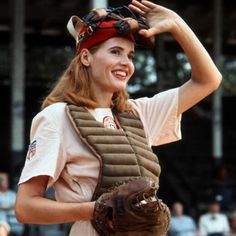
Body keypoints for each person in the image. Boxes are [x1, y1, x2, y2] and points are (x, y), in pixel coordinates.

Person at [15, 0, 222, 235]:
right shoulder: (57, 117)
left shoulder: (137, 113)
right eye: (115, 52)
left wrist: (177, 25)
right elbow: (25, 207)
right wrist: (96, 209)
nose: (126, 63)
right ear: (86, 57)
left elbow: (209, 80)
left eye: (130, 55)